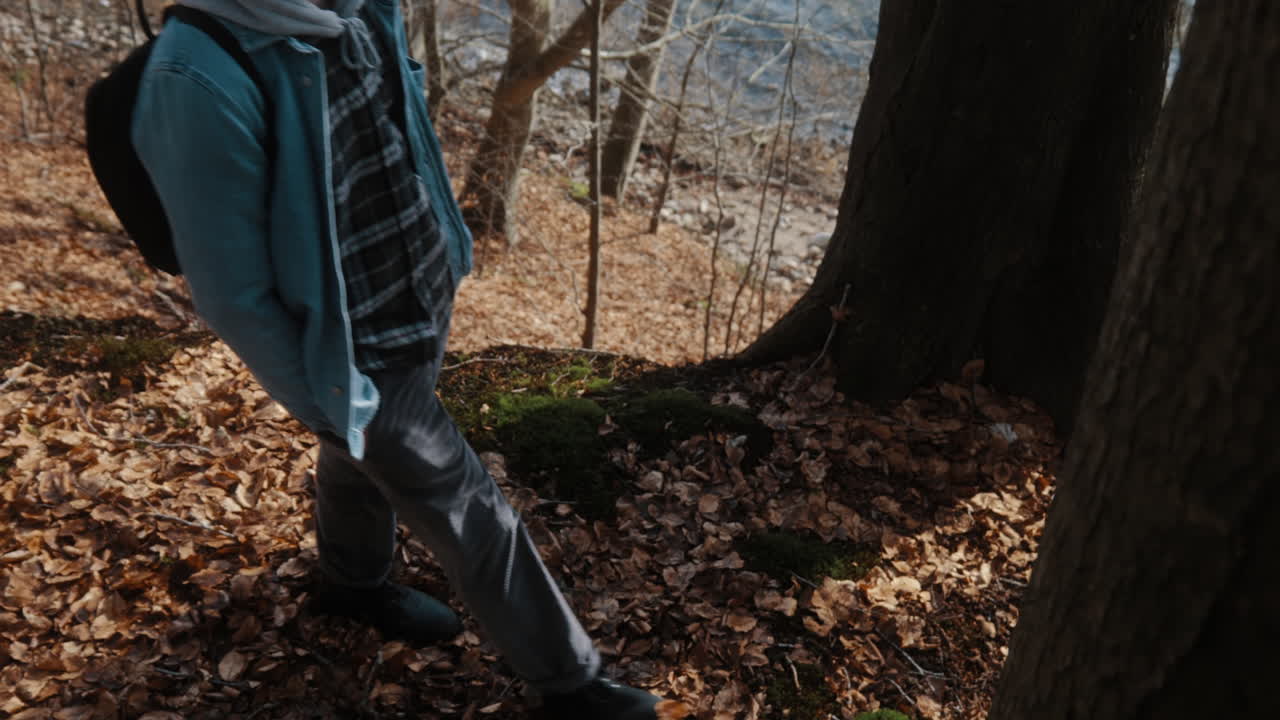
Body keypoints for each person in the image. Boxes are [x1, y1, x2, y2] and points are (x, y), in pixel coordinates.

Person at [132, 1, 687, 717]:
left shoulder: (349, 6)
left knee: (356, 457)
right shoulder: (195, 72)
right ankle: (572, 686)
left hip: (417, 290)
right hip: (349, 342)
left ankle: (350, 585)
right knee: (470, 508)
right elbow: (233, 294)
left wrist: (447, 252)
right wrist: (325, 395)